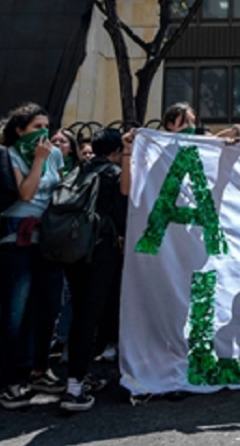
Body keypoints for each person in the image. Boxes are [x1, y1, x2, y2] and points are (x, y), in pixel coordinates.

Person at [0, 103, 66, 410]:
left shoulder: (54, 153)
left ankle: (40, 369)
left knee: (48, 306)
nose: (44, 132)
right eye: (36, 126)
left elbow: (61, 190)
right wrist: (38, 161)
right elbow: (25, 193)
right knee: (17, 312)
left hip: (48, 239)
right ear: (19, 130)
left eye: (47, 126)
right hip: (18, 239)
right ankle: (11, 378)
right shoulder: (10, 154)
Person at [60, 128, 130, 411]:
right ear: (114, 152)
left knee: (81, 314)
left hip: (73, 251)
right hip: (100, 252)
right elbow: (125, 199)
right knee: (91, 317)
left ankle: (80, 376)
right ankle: (74, 387)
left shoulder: (79, 171)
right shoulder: (112, 173)